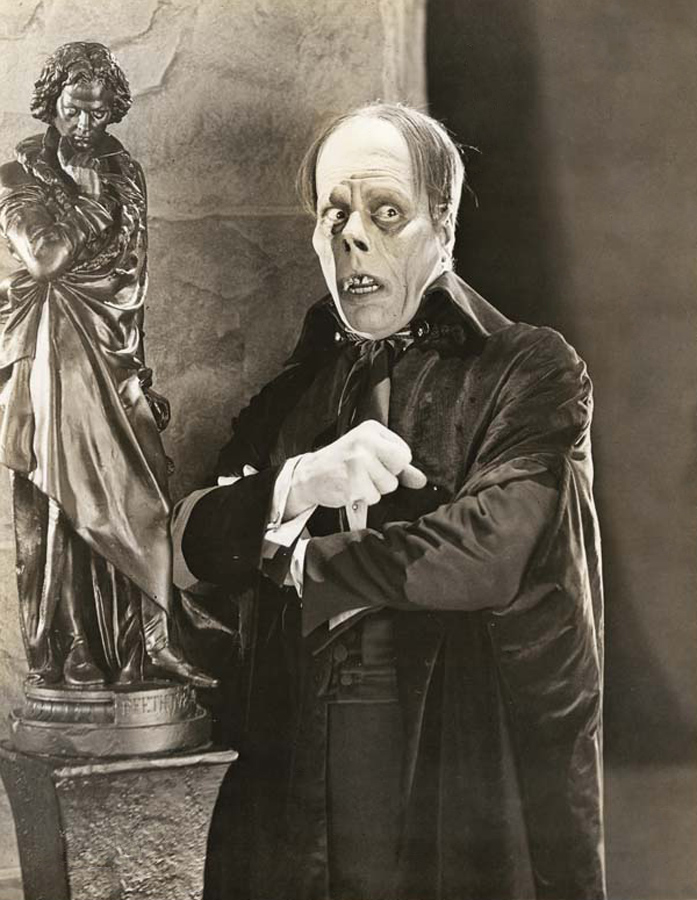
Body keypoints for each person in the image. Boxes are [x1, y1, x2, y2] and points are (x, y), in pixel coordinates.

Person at [174, 103, 606, 899]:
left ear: (442, 224)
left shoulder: (528, 367)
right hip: (297, 752)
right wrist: (300, 481)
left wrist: (298, 560)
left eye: (384, 212)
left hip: (455, 756)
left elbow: (491, 550)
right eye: (332, 213)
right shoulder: (297, 387)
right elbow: (191, 543)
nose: (352, 237)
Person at [0, 42, 215, 688]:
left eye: (97, 113)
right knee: (64, 503)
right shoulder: (16, 176)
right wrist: (92, 204)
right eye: (73, 109)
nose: (84, 125)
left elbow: (133, 282)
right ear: (51, 103)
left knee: (144, 488)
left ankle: (143, 644)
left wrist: (139, 370)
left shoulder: (127, 174)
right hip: (53, 352)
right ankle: (73, 646)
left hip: (112, 351)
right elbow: (44, 257)